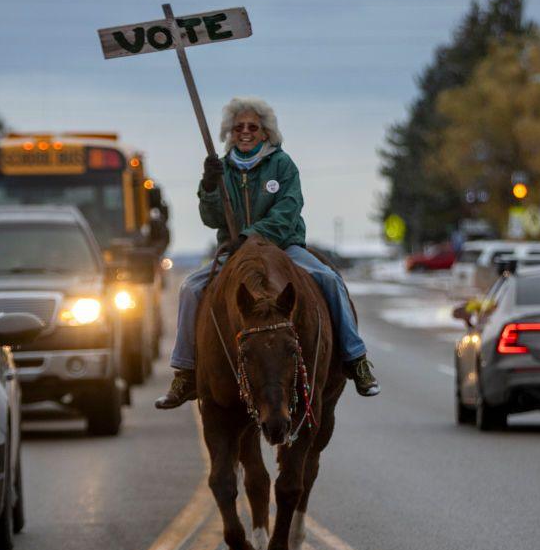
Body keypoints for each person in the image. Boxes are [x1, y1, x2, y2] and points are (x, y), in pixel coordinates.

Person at [155, 97, 379, 409]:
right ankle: (186, 373)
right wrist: (208, 187)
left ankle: (356, 360)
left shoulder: (282, 165)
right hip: (236, 255)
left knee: (329, 279)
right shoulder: (224, 169)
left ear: (265, 133)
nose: (245, 132)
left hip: (284, 248)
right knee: (190, 288)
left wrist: (251, 236)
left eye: (252, 127)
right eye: (238, 127)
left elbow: (288, 210)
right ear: (229, 133)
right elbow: (212, 218)